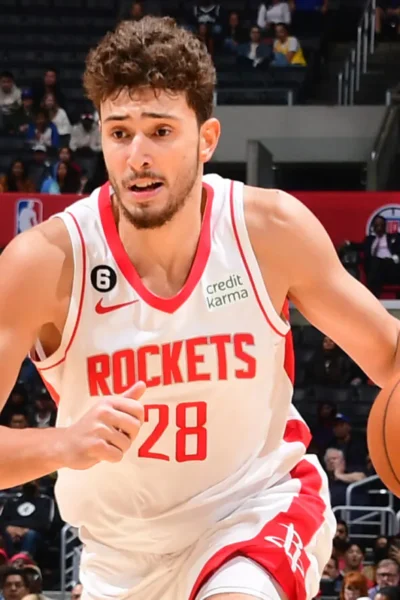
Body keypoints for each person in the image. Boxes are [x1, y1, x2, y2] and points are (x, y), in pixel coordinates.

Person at [0, 16, 400, 600]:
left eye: (160, 131)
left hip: (258, 509)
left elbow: (390, 356)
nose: (138, 155)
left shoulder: (268, 230)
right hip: (120, 557)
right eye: (120, 133)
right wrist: (61, 444)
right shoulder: (43, 263)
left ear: (207, 139)